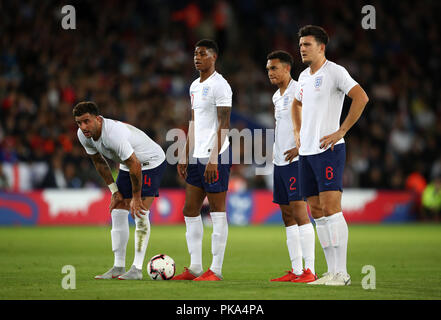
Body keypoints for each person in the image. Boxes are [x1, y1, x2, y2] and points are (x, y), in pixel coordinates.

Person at [292, 25, 369, 286]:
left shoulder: (335, 72)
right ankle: (329, 272)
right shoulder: (302, 77)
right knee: (316, 210)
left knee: (331, 209)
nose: (302, 48)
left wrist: (341, 130)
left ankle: (342, 272)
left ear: (322, 47)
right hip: (306, 152)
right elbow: (297, 103)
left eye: (307, 44)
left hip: (329, 150)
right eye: (301, 44)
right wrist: (297, 131)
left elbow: (361, 97)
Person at [73, 101, 166, 280]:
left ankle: (137, 269)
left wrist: (136, 197)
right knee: (117, 210)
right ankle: (118, 266)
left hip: (150, 161)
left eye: (86, 121)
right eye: (79, 122)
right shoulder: (83, 135)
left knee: (140, 212)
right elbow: (99, 162)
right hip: (128, 163)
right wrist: (114, 191)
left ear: (98, 119)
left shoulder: (112, 135)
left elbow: (136, 164)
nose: (83, 127)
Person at [173, 39, 232, 281]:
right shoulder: (194, 86)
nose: (197, 57)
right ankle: (196, 267)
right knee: (189, 210)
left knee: (217, 211)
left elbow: (224, 124)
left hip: (216, 156)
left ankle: (215, 270)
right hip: (196, 155)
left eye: (202, 53)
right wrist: (185, 152)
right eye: (195, 53)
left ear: (214, 57)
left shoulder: (221, 86)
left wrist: (213, 158)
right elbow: (195, 122)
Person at [266, 50, 317, 283]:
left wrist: (301, 147)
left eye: (274, 68)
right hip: (279, 162)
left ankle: (310, 270)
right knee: (287, 216)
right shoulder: (277, 96)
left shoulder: (300, 89)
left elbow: (312, 121)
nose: (270, 73)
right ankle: (296, 270)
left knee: (300, 212)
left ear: (287, 68)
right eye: (268, 69)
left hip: (296, 161)